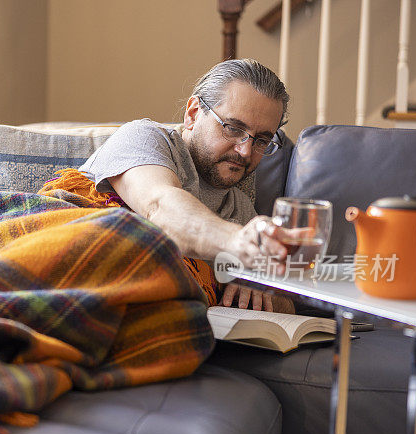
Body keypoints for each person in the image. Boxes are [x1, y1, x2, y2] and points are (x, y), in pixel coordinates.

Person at [78, 58, 297, 313]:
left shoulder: (242, 213)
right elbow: (159, 206)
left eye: (261, 140)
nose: (245, 151)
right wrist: (239, 244)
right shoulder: (144, 138)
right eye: (233, 128)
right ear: (193, 114)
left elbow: (288, 306)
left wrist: (259, 283)